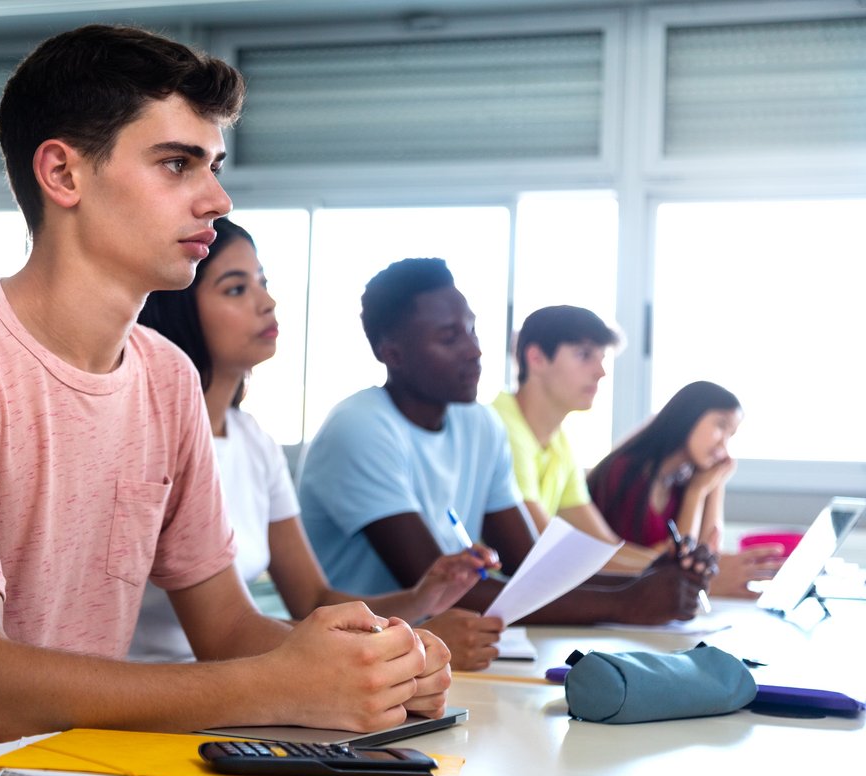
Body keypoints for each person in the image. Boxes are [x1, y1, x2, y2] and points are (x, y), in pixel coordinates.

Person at [0, 25, 449, 776]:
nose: (217, 198)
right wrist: (282, 684)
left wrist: (371, 667)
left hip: (68, 759)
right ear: (63, 173)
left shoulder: (167, 377)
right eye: (176, 164)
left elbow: (228, 629)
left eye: (214, 165)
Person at [131, 218, 498, 670]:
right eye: (235, 289)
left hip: (230, 680)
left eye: (262, 283)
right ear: (180, 309)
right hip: (162, 688)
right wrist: (404, 641)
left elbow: (312, 599)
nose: (267, 302)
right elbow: (228, 635)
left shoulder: (252, 441)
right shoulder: (147, 435)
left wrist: (421, 598)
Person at [299, 257, 711, 627]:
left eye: (472, 329)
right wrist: (627, 602)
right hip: (356, 646)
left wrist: (653, 577)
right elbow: (431, 588)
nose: (474, 350)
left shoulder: (480, 424)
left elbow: (530, 567)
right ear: (393, 353)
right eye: (449, 338)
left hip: (438, 644)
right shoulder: (362, 427)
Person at [492, 305, 657, 573]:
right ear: (535, 358)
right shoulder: (499, 427)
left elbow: (604, 545)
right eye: (584, 355)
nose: (601, 371)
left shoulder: (559, 442)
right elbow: (547, 549)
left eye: (602, 357)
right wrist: (663, 575)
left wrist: (672, 568)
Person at [587, 380, 783, 598]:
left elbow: (705, 551)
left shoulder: (685, 478)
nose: (723, 446)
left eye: (730, 436)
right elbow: (679, 562)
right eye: (720, 426)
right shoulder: (625, 471)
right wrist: (696, 493)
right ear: (689, 416)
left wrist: (715, 485)